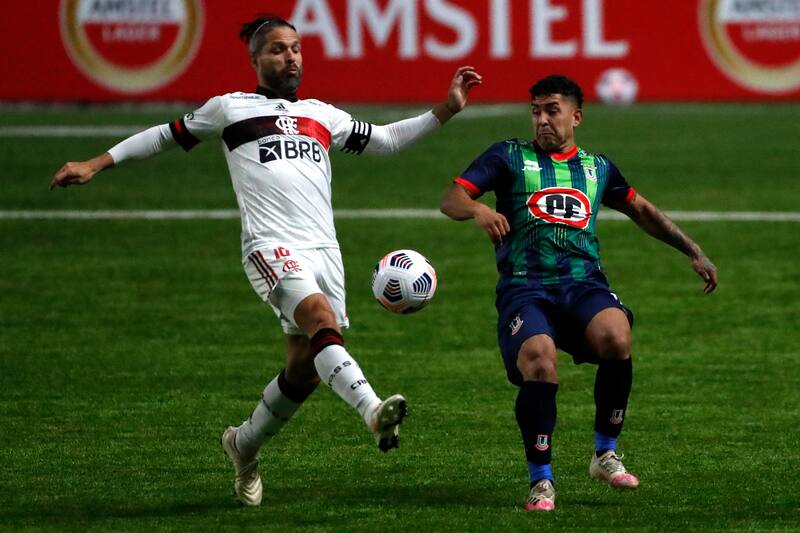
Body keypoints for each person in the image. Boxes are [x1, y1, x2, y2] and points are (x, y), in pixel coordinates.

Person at [50, 15, 482, 507]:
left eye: (296, 48)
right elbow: (164, 136)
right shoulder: (229, 109)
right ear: (256, 60)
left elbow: (386, 139)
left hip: (324, 250)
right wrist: (95, 163)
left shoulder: (323, 114)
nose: (290, 57)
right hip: (270, 246)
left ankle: (244, 445)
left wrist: (446, 109)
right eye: (278, 49)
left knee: (306, 371)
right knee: (321, 321)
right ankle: (371, 411)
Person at [439, 75, 717, 512]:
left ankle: (604, 453)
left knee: (617, 336)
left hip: (583, 286)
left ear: (576, 116)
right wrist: (478, 208)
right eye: (535, 110)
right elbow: (452, 198)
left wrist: (691, 249)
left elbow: (640, 209)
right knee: (540, 362)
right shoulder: (508, 156)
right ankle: (541, 481)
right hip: (525, 290)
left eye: (552, 110)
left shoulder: (597, 167)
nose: (542, 119)